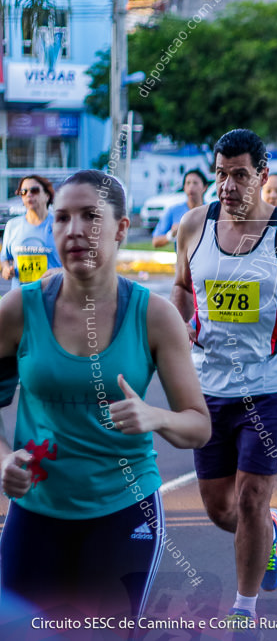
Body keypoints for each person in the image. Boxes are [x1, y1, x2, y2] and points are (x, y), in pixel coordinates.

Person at [0, 170, 210, 621]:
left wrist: (154, 417)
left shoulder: (155, 316)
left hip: (124, 509)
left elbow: (198, 425)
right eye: (62, 218)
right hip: (36, 512)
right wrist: (3, 458)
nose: (74, 230)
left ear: (120, 227)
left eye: (90, 217)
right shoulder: (20, 308)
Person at [171, 129, 277, 624]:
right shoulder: (192, 227)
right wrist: (179, 323)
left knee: (249, 499)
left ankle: (244, 609)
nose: (227, 185)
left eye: (240, 175)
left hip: (272, 385)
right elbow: (182, 287)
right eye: (221, 174)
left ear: (262, 176)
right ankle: (271, 529)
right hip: (210, 384)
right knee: (219, 507)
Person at [1, 175, 60, 287]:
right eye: (23, 192)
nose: (29, 194)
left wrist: (60, 272)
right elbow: (4, 258)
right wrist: (5, 269)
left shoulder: (60, 224)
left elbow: (77, 264)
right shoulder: (12, 225)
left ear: (47, 196)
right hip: (20, 297)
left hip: (53, 295)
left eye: (34, 190)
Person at [152, 169, 209, 248]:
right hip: (182, 260)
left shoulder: (212, 211)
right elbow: (155, 242)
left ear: (205, 187)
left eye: (195, 183)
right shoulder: (173, 211)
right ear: (184, 188)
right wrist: (171, 235)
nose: (191, 187)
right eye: (188, 183)